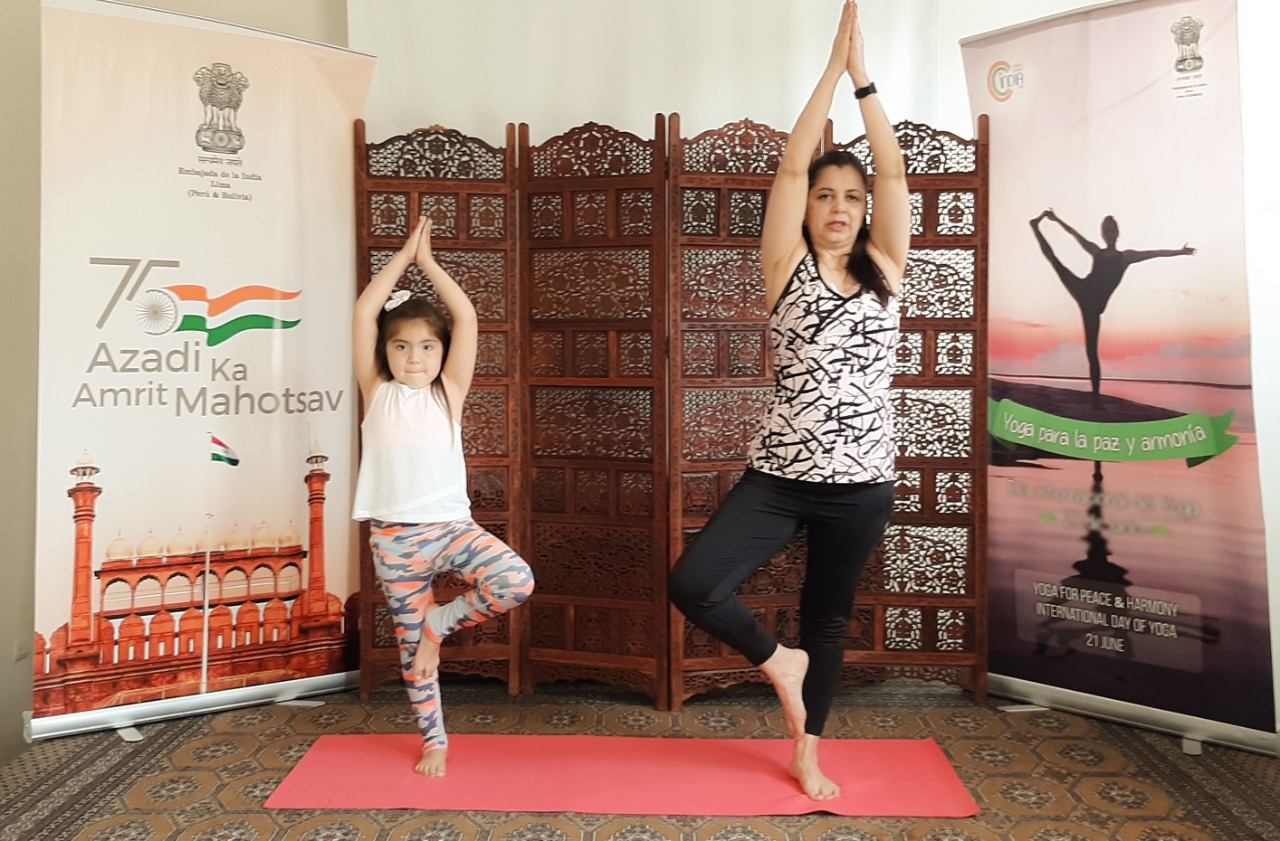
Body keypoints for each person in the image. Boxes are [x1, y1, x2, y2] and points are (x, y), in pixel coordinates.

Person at [669, 0, 910, 802]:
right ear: (806, 210)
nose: (837, 205)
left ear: (864, 207)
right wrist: (828, 72)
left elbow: (896, 170)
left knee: (828, 620)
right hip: (778, 474)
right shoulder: (786, 268)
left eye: (850, 195)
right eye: (824, 196)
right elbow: (789, 164)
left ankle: (808, 747)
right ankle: (778, 663)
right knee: (695, 581)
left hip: (862, 481)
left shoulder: (887, 268)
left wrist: (865, 81)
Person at [352, 216, 534, 777]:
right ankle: (435, 740)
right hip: (395, 540)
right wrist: (402, 257)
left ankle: (440, 624)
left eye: (427, 347)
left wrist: (428, 264)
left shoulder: (447, 394)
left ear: (441, 352)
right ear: (384, 352)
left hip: (452, 529)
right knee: (411, 651)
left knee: (517, 581)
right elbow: (363, 313)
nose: (414, 358)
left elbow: (468, 317)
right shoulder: (377, 392)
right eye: (401, 346)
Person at [1030, 209, 1195, 401]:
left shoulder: (1126, 257)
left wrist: (1179, 252)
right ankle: (1035, 227)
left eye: (1111, 231)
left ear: (1117, 234)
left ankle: (1095, 396)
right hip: (1083, 291)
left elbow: (1154, 253)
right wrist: (1057, 219)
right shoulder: (1096, 251)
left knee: (1092, 350)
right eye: (1106, 231)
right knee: (1055, 261)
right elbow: (1074, 234)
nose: (1108, 234)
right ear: (1102, 234)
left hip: (1094, 307)